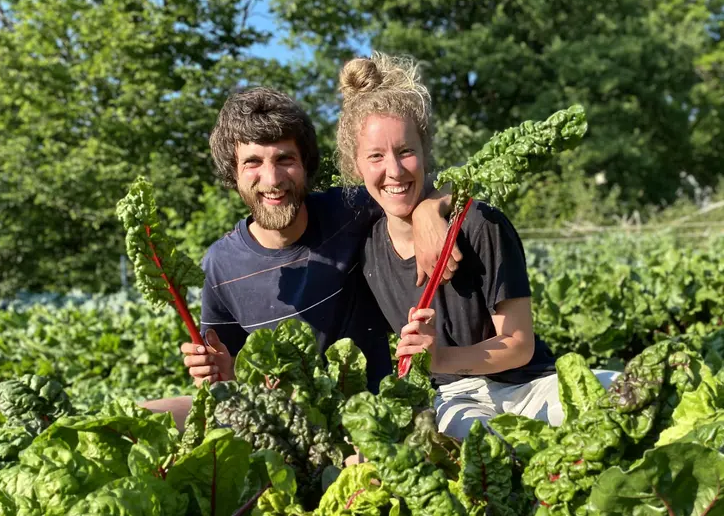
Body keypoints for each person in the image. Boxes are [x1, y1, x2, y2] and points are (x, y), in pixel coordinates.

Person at [335, 53, 618, 439]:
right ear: (356, 164)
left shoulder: (479, 225)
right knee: (483, 443)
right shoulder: (366, 251)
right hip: (452, 398)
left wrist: (439, 357)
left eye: (406, 152)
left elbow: (519, 345)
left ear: (425, 151)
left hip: (528, 384)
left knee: (626, 393)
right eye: (376, 157)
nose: (395, 171)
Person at [143, 87, 453, 427]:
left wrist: (428, 211)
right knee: (145, 417)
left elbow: (433, 183)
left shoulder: (348, 210)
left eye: (285, 159)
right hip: (290, 426)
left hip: (372, 416)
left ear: (305, 165)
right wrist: (216, 373)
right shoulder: (220, 264)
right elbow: (231, 384)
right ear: (233, 173)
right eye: (253, 162)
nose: (272, 179)